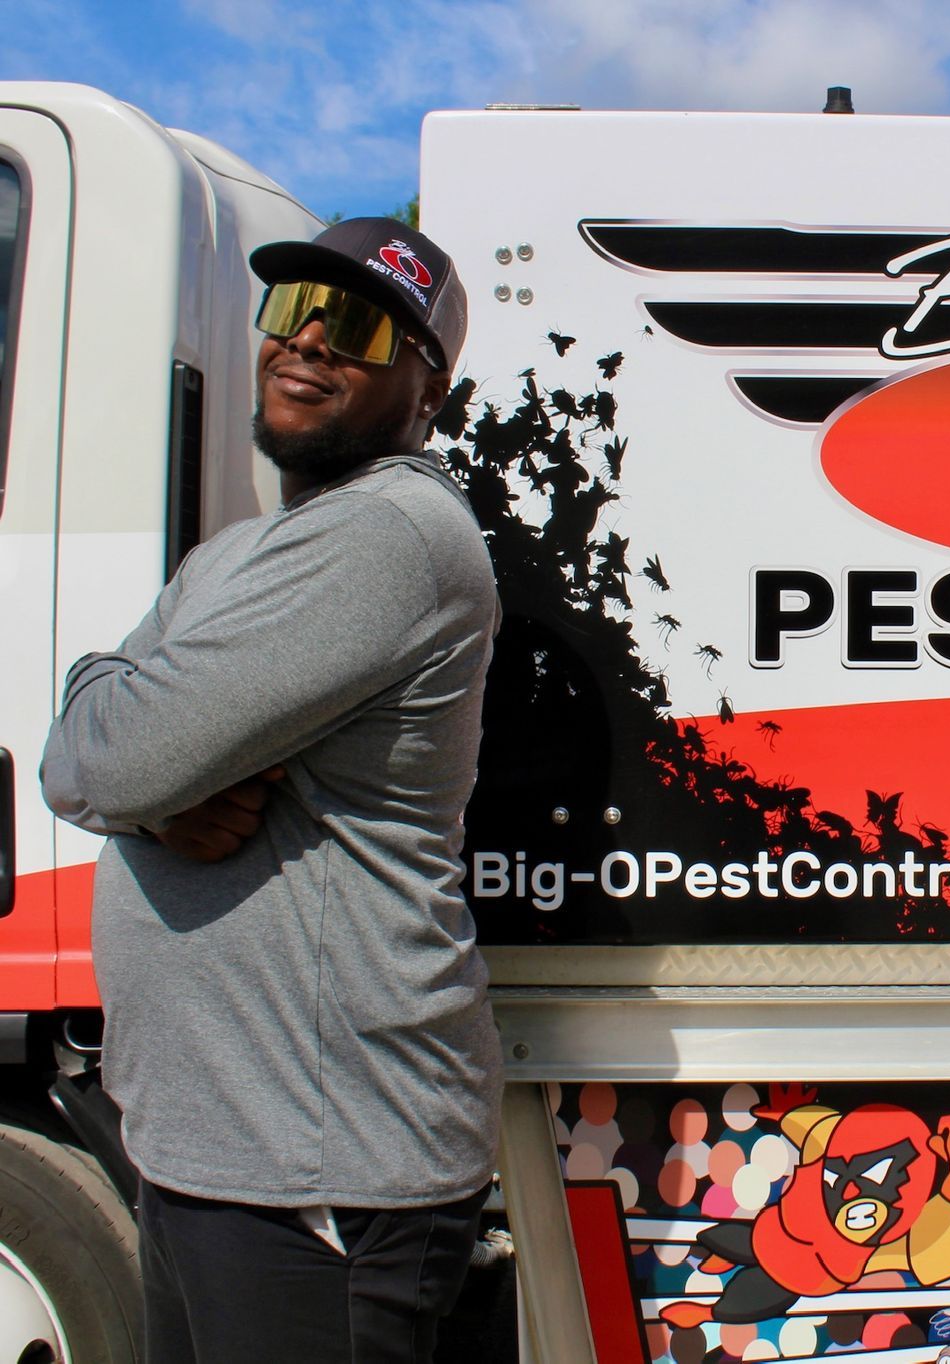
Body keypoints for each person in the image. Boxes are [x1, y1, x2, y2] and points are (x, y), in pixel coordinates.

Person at [40, 217, 502, 1363]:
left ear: (427, 386)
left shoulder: (386, 535)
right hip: (217, 1151)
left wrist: (138, 755)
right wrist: (150, 784)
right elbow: (89, 741)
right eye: (288, 313)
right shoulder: (247, 551)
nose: (305, 345)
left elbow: (108, 751)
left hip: (318, 1165)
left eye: (352, 326)